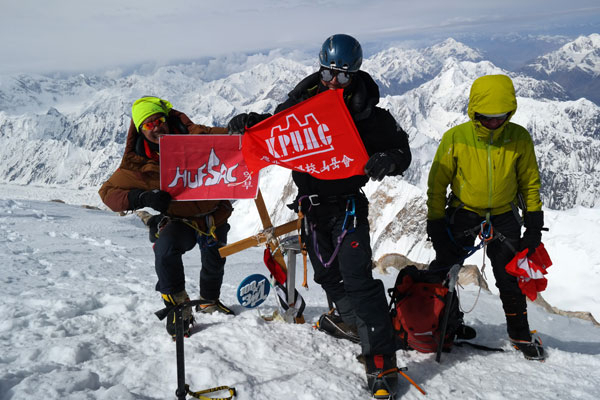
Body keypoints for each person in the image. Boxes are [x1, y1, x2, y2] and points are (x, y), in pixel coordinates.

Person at [228, 34, 412, 398]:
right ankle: (349, 321)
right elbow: (276, 130)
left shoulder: (370, 116)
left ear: (355, 75)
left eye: (344, 77)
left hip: (347, 205)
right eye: (329, 73)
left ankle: (380, 359)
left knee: (357, 277)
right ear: (321, 67)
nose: (334, 83)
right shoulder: (301, 105)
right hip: (311, 205)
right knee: (327, 272)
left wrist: (388, 160)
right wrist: (251, 122)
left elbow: (402, 150)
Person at [426, 74, 546, 361]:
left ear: (510, 112)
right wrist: (436, 221)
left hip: (504, 214)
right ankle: (445, 324)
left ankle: (519, 332)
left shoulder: (519, 138)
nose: (493, 122)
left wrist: (534, 224)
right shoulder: (456, 138)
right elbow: (437, 184)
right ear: (474, 112)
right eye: (486, 117)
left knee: (510, 276)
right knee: (445, 269)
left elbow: (530, 182)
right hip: (464, 211)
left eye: (500, 117)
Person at [99, 96, 235, 339]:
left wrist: (244, 125)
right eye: (148, 125)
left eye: (159, 120)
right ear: (141, 130)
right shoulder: (138, 163)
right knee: (165, 250)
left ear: (167, 119)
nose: (156, 128)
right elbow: (108, 193)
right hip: (180, 219)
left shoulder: (197, 137)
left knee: (214, 261)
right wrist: (142, 198)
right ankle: (178, 309)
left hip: (214, 214)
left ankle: (209, 302)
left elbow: (232, 137)